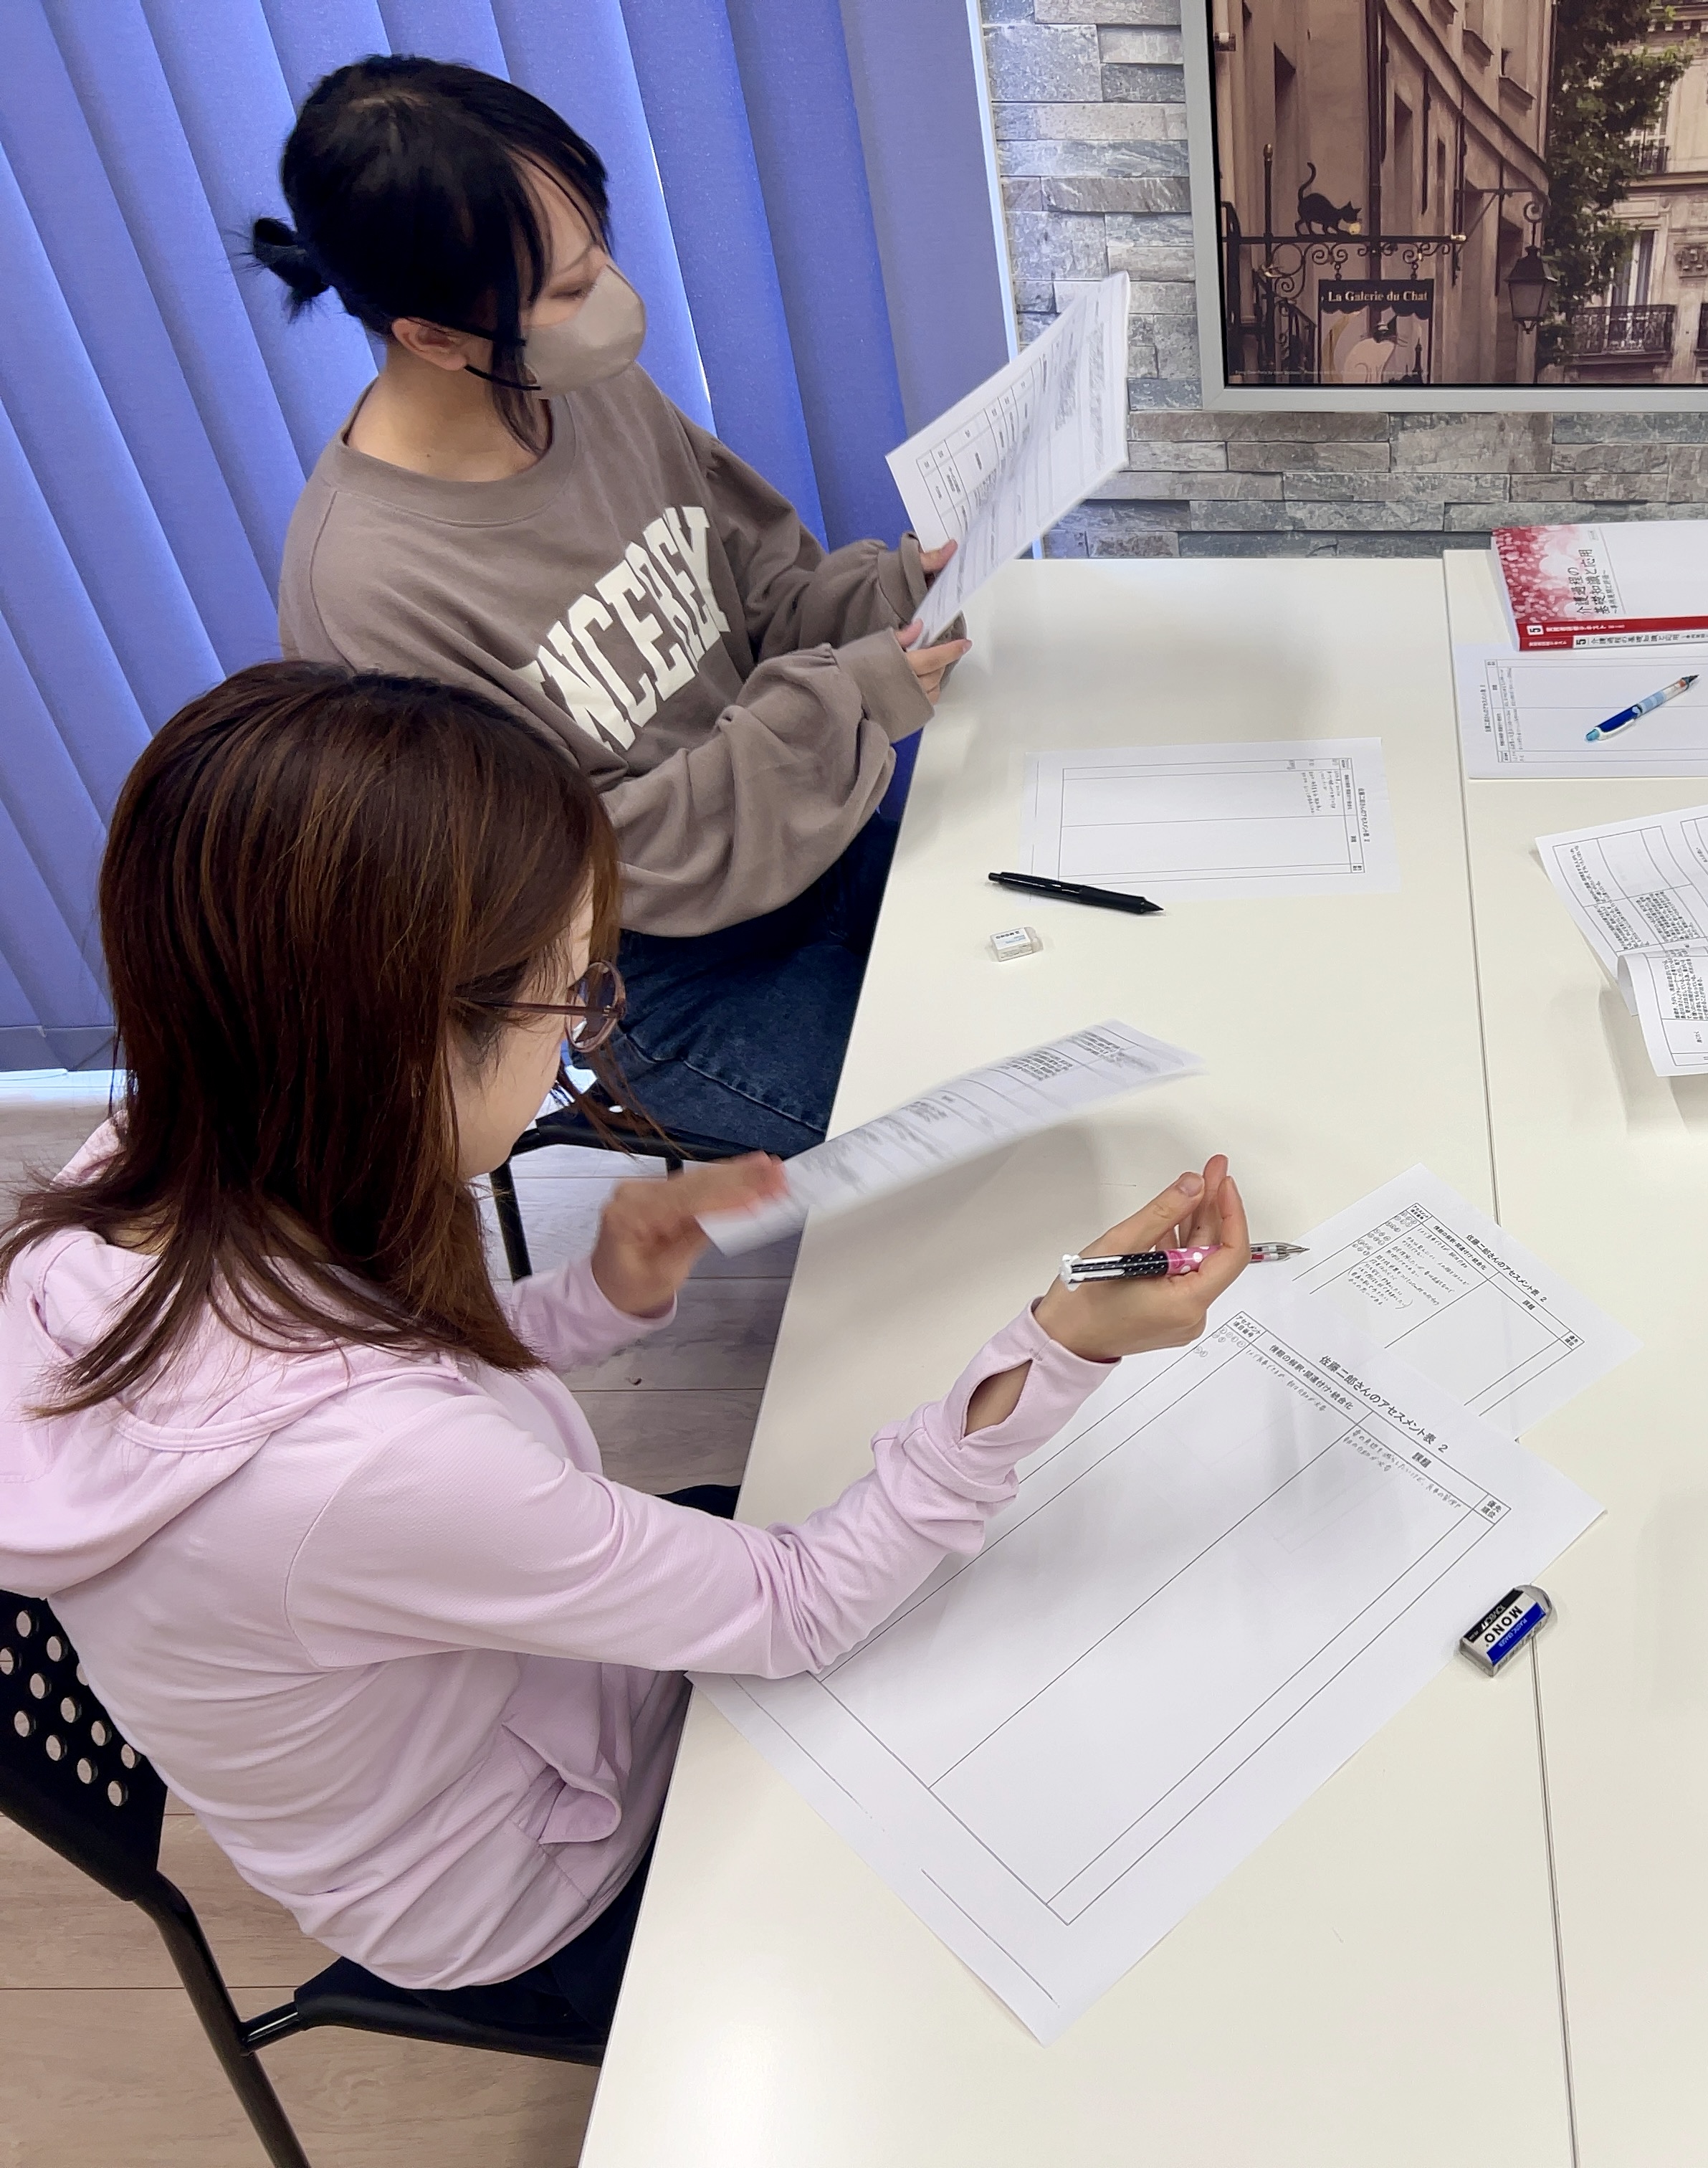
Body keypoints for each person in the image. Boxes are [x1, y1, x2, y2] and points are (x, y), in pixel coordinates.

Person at [0, 661, 1244, 2039]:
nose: (582, 1048)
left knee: (978, 1582)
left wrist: (601, 1293)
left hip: (510, 1699)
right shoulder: (354, 1469)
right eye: (573, 1001)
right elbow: (789, 1607)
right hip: (545, 1884)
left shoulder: (154, 1176)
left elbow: (404, 1382)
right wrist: (1063, 1344)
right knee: (1072, 1839)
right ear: (404, 1040)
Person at [251, 57, 967, 1156]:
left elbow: (761, 598)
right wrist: (842, 704)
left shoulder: (579, 386)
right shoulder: (368, 591)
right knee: (973, 1145)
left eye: (598, 253)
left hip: (815, 848)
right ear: (432, 336)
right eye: (569, 291)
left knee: (1055, 1024)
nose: (614, 301)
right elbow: (573, 872)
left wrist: (890, 595)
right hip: (664, 978)